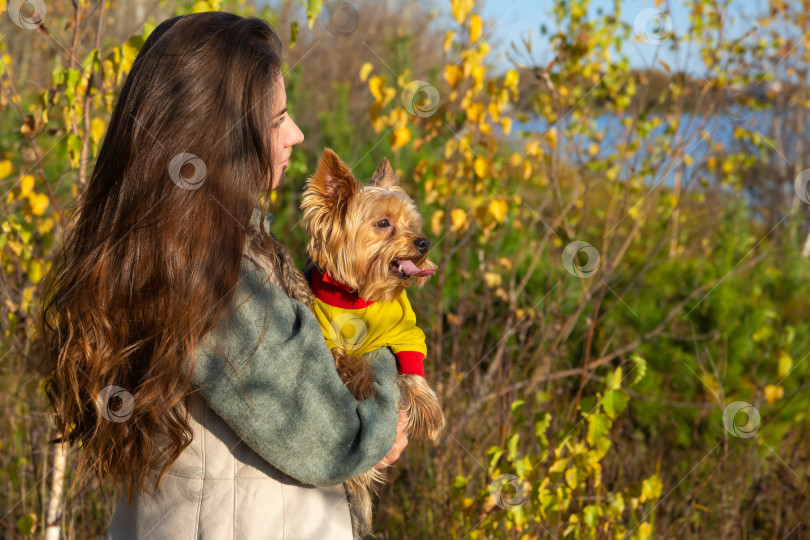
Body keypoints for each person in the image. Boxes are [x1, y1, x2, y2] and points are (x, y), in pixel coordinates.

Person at [33, 11, 408, 540]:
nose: (296, 134)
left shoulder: (144, 243)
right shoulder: (216, 274)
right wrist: (387, 372)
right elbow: (337, 441)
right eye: (277, 119)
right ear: (220, 134)